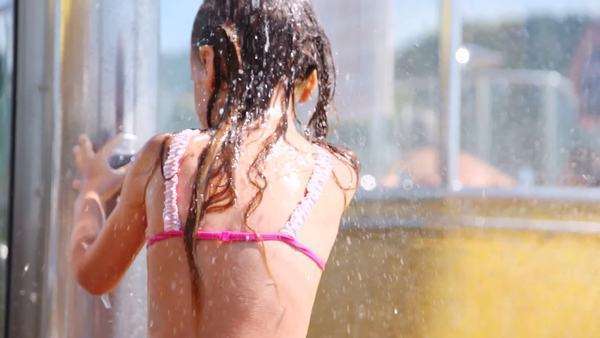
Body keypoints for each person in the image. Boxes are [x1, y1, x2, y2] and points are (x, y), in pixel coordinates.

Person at [69, 1, 359, 337]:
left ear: (207, 63)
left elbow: (92, 274)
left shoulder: (165, 160)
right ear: (309, 83)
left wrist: (90, 195)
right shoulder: (334, 176)